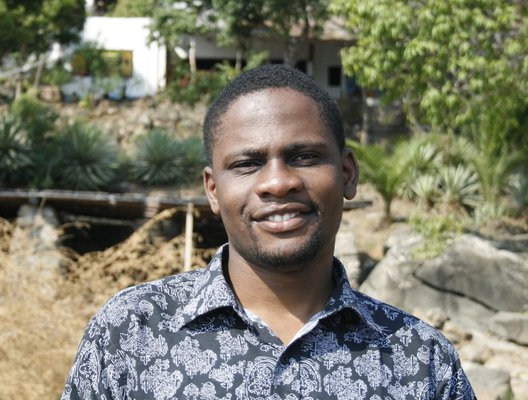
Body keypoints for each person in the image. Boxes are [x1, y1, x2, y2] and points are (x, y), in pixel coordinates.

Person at [62, 64, 476, 399]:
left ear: (348, 174)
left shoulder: (420, 360)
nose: (278, 183)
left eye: (305, 156)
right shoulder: (131, 332)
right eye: (247, 164)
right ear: (212, 190)